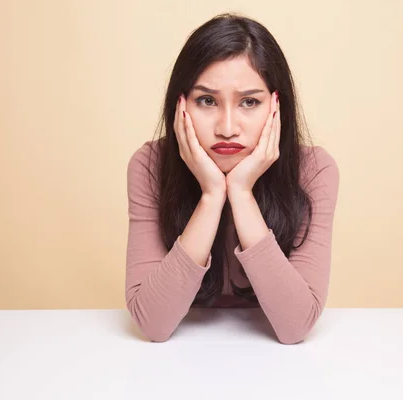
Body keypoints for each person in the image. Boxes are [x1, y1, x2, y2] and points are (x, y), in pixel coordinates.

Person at [125, 12, 340, 344]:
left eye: (249, 102)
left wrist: (241, 191)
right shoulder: (150, 165)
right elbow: (153, 324)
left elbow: (295, 326)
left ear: (276, 106)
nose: (226, 128)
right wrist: (212, 195)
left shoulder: (314, 171)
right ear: (180, 105)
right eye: (207, 100)